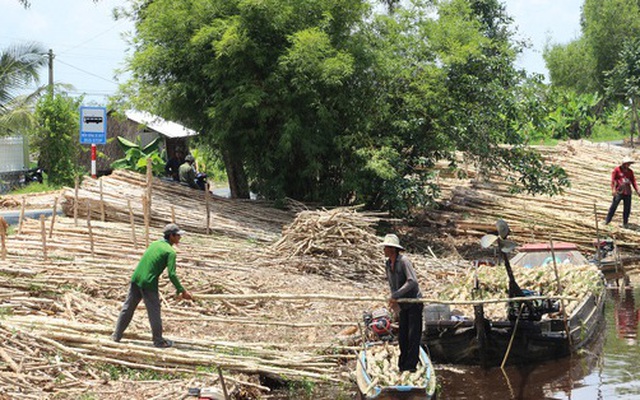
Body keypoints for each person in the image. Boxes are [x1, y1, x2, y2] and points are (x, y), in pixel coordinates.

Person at [112, 223, 193, 348]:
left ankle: (116, 336)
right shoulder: (170, 252)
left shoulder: (155, 244)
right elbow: (172, 274)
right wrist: (182, 291)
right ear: (171, 236)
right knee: (154, 311)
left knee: (128, 307)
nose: (179, 238)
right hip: (148, 282)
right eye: (178, 236)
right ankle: (158, 341)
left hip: (136, 278)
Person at [380, 233, 424, 372]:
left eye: (386, 247)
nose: (384, 250)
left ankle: (411, 367)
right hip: (403, 304)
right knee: (403, 336)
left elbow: (412, 281)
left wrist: (396, 295)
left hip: (413, 303)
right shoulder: (388, 264)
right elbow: (393, 285)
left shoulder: (404, 261)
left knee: (413, 336)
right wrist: (395, 301)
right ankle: (402, 365)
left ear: (392, 249)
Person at [605, 156, 640, 228]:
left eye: (629, 164)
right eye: (627, 164)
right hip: (619, 191)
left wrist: (637, 190)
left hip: (628, 192)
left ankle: (625, 223)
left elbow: (633, 181)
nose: (628, 165)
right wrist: (613, 189)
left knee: (627, 208)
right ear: (624, 164)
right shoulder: (617, 170)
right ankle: (607, 221)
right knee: (613, 206)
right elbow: (613, 180)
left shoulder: (630, 172)